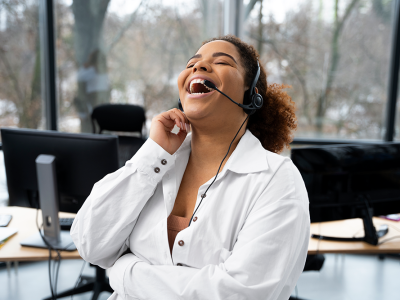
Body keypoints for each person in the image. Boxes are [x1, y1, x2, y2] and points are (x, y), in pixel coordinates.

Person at [70, 35, 310, 300]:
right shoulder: (157, 163)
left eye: (221, 62)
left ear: (251, 95)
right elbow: (90, 243)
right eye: (192, 63)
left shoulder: (276, 180)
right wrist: (153, 152)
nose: (199, 67)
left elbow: (240, 294)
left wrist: (124, 271)